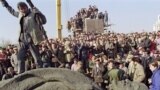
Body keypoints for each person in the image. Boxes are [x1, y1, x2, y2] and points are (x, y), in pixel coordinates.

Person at [0, 0, 47, 74]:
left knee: (37, 58)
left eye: (24, 8)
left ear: (26, 7)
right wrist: (4, 3)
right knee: (20, 57)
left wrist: (38, 12)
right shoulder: (19, 14)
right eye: (20, 9)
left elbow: (44, 21)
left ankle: (40, 72)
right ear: (19, 9)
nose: (22, 10)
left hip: (32, 39)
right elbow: (11, 10)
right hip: (22, 40)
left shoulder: (33, 13)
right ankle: (21, 73)